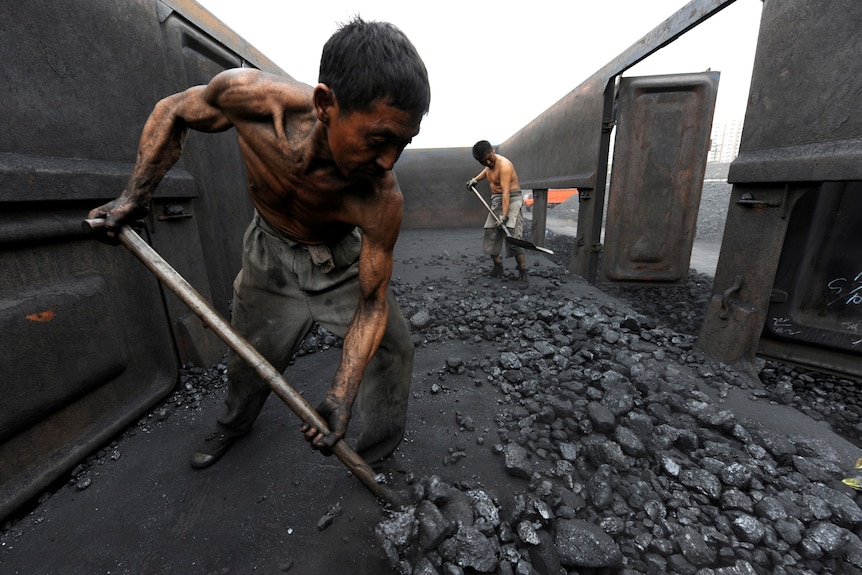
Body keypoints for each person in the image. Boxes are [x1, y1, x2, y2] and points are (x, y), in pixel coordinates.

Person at [88, 17, 430, 469]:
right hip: (268, 253)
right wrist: (135, 195)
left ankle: (372, 456)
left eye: (403, 144)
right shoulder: (251, 99)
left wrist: (341, 394)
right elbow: (173, 111)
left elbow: (371, 306)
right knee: (251, 355)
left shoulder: (381, 198)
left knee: (393, 348)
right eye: (380, 139)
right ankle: (233, 426)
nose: (389, 161)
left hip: (339, 262)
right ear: (327, 103)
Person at [466, 140, 528, 283]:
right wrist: (475, 180)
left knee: (513, 236)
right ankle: (498, 267)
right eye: (483, 161)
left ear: (493, 150)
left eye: (489, 158)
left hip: (511, 199)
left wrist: (504, 216)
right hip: (496, 200)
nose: (488, 162)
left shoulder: (504, 165)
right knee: (491, 233)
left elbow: (506, 193)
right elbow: (487, 171)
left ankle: (523, 272)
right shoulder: (488, 164)